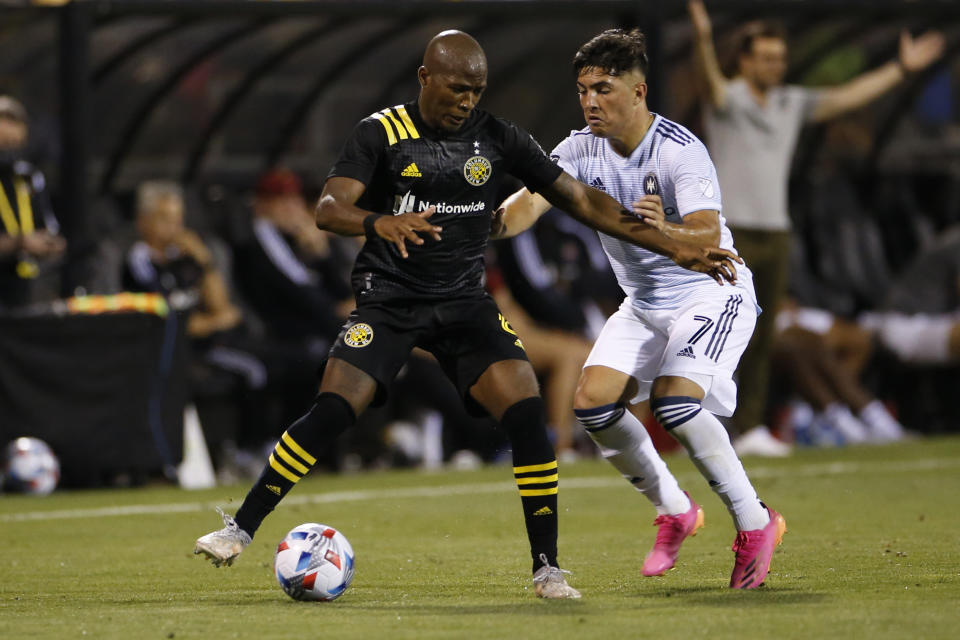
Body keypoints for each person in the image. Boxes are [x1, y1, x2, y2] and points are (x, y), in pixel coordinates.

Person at [194, 29, 740, 599]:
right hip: (390, 301)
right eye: (457, 88)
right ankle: (239, 528)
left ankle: (548, 570)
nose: (467, 101)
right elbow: (329, 209)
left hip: (463, 303)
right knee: (333, 409)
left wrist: (672, 243)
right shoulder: (379, 134)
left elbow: (578, 198)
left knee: (528, 413)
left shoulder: (498, 136)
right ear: (425, 77)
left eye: (477, 90)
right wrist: (380, 222)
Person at [495, 28, 784, 589]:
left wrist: (663, 226)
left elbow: (704, 236)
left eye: (602, 88)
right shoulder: (578, 149)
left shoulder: (679, 148)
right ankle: (675, 509)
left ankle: (755, 522)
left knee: (676, 406)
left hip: (712, 293)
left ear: (638, 90)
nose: (590, 102)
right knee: (592, 405)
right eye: (582, 90)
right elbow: (529, 202)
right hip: (645, 304)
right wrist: (479, 224)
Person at [687, 0, 945, 457]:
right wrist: (704, 39)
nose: (775, 66)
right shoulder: (731, 100)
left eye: (779, 57)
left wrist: (901, 69)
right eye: (765, 57)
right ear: (744, 61)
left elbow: (849, 95)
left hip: (775, 233)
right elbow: (710, 83)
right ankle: (703, 425)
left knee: (762, 339)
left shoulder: (791, 102)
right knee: (726, 333)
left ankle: (747, 430)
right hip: (732, 236)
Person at [0, 95, 65, 309]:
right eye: (3, 145)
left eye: (14, 145)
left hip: (25, 286)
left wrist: (50, 244)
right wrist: (20, 243)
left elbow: (47, 227)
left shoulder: (28, 176)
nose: (9, 153)